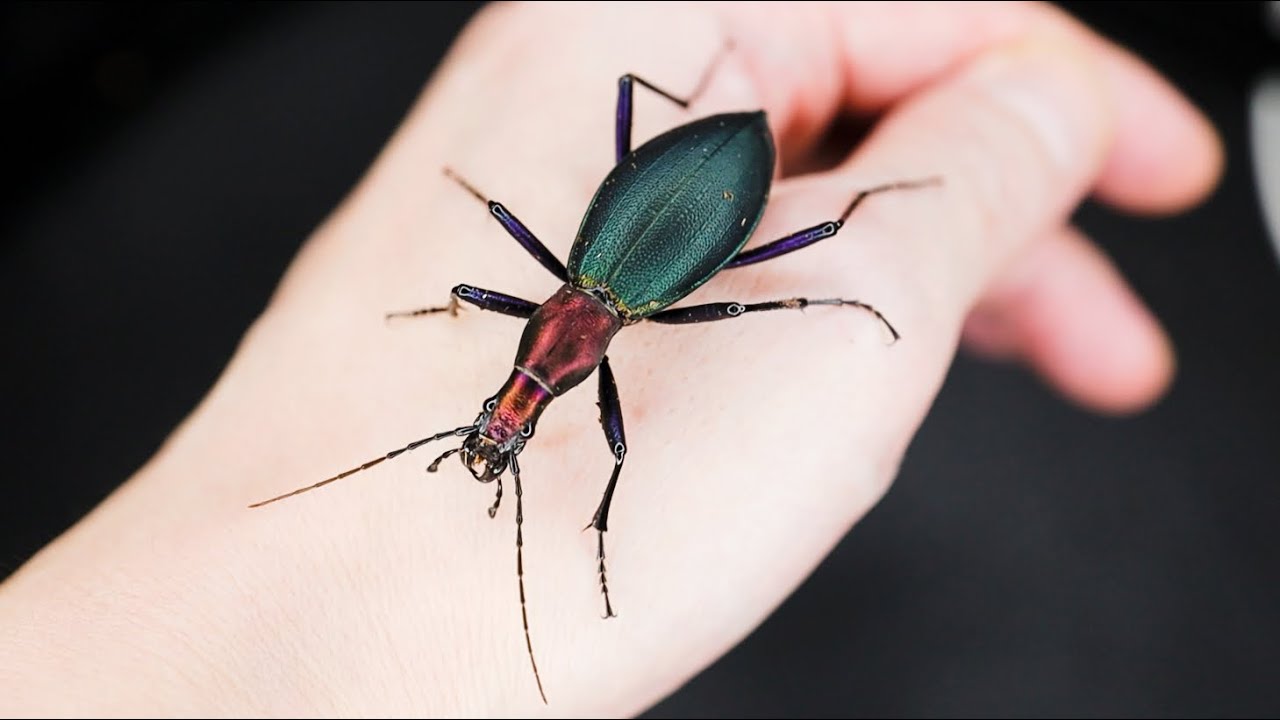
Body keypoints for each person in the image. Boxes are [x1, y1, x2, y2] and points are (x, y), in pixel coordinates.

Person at [0, 3, 1221, 716]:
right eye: (517, 411)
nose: (511, 415)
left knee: (799, 252)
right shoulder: (562, 310)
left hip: (688, 199)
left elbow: (665, 325)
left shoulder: (587, 308)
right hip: (670, 212)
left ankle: (878, 190)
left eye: (511, 409)